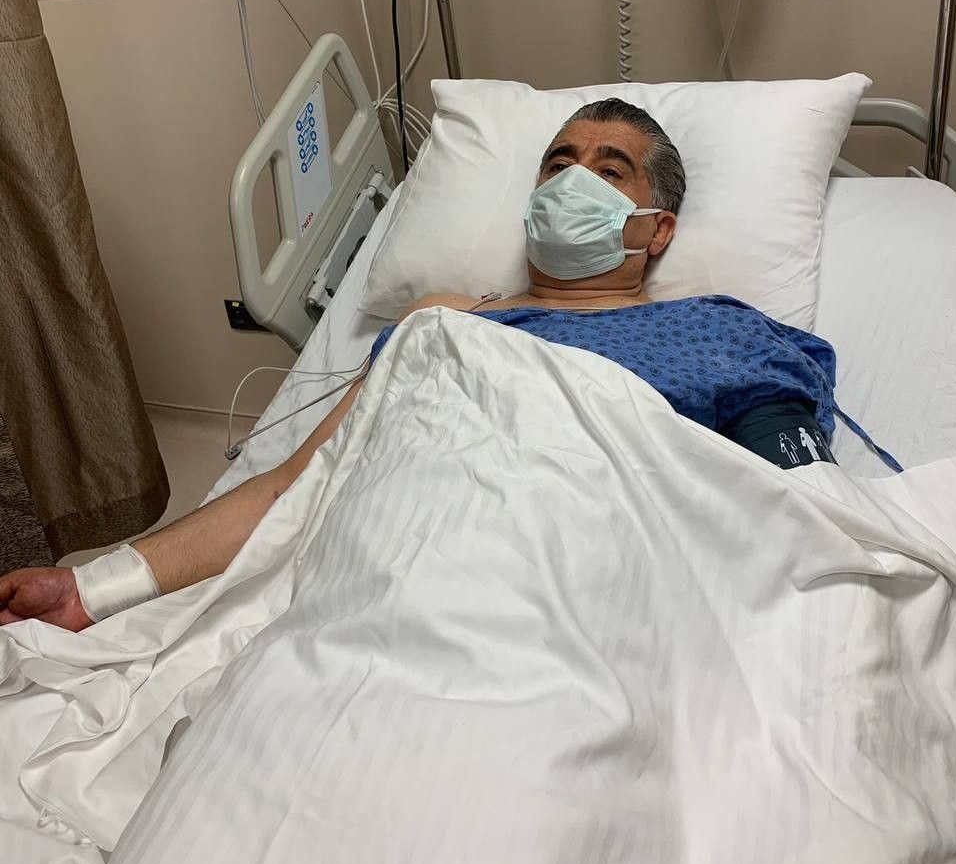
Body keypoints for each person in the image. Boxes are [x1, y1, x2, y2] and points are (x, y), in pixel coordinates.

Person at [0, 98, 862, 634]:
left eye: (611, 170)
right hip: (393, 587)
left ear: (658, 228)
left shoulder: (718, 334)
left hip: (608, 607)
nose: (574, 181)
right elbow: (295, 489)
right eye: (559, 164)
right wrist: (92, 587)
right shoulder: (443, 321)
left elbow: (801, 518)